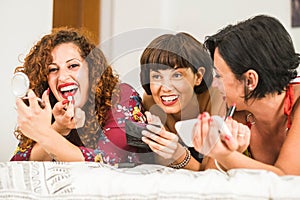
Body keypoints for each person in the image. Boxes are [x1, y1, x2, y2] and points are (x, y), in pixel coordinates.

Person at [11, 27, 149, 165]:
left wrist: (44, 134)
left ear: (92, 69)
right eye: (53, 69)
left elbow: (105, 159)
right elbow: (18, 165)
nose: (63, 77)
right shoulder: (49, 110)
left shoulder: (122, 96)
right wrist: (59, 128)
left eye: (73, 66)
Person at [193, 14, 300, 175]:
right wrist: (232, 153)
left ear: (250, 80)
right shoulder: (239, 111)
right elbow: (210, 172)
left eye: (219, 76)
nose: (214, 84)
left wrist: (227, 155)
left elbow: (287, 178)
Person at [139, 32, 248, 170]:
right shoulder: (150, 101)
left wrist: (179, 155)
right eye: (156, 76)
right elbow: (163, 163)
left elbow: (211, 171)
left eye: (177, 75)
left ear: (198, 76)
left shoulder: (215, 96)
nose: (165, 88)